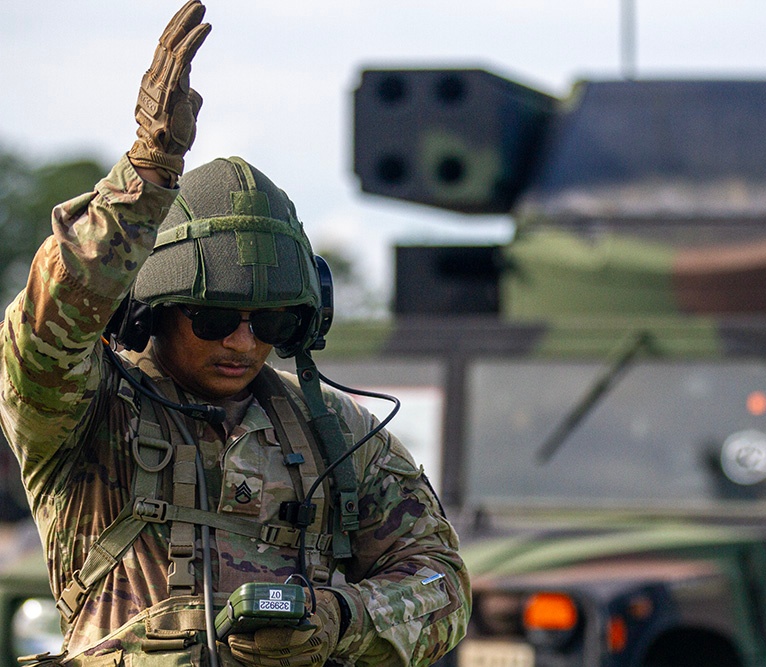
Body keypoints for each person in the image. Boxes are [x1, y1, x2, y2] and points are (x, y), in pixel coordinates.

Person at [0, 2, 470, 666]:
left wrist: (341, 616)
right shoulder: (86, 414)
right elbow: (48, 322)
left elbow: (441, 583)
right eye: (216, 317)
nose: (245, 343)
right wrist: (150, 168)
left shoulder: (338, 436)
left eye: (270, 323)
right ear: (156, 308)